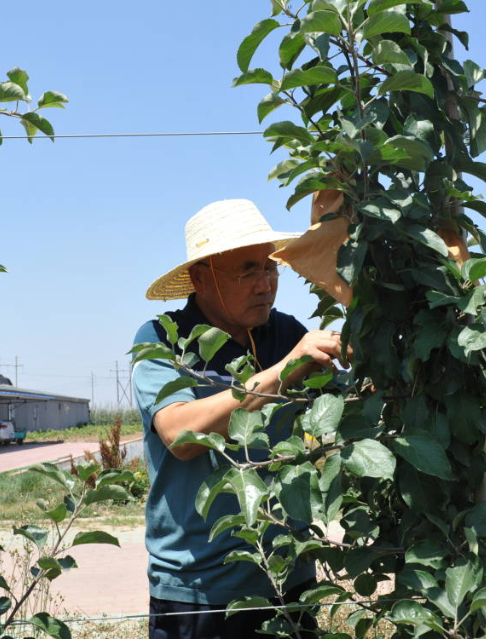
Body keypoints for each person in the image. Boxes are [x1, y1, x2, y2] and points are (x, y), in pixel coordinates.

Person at [132, 199, 348, 638]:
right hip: (198, 590)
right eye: (248, 271)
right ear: (200, 276)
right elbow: (180, 434)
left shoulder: (285, 331)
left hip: (291, 576)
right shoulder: (161, 339)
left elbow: (346, 405)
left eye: (271, 269)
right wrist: (286, 369)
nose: (265, 285)